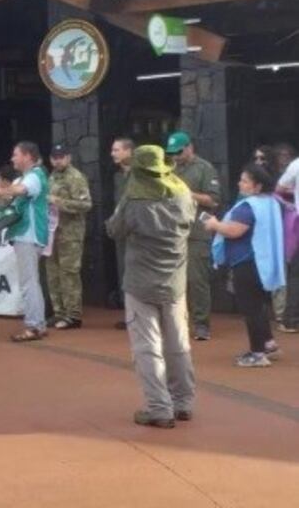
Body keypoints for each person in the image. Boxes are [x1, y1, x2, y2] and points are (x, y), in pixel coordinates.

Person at [106, 145, 196, 429]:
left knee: (148, 346)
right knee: (178, 344)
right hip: (175, 282)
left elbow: (114, 230)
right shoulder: (182, 192)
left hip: (140, 282)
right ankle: (182, 403)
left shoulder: (133, 199)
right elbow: (191, 221)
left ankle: (158, 407)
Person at [206, 164, 286, 367]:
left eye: (245, 180)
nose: (240, 183)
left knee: (251, 308)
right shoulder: (271, 202)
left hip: (247, 262)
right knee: (258, 306)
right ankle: (268, 343)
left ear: (257, 186)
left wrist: (214, 225)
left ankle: (257, 353)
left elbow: (234, 231)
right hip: (262, 262)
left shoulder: (248, 206)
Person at [0, 141, 49, 342]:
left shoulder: (34, 176)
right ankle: (37, 323)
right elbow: (12, 195)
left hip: (29, 235)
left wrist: (3, 190)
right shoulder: (27, 177)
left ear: (27, 156)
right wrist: (2, 192)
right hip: (27, 235)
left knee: (29, 282)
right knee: (31, 282)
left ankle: (34, 326)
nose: (12, 159)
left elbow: (21, 190)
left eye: (16, 155)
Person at [166, 131, 221, 341]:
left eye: (179, 152)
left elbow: (214, 201)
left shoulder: (204, 169)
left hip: (196, 232)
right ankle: (176, 322)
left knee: (197, 280)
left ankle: (201, 324)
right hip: (172, 232)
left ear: (189, 147)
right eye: (172, 153)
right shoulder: (169, 169)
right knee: (172, 281)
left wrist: (186, 193)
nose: (176, 156)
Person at [46, 145, 92, 329]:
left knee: (69, 273)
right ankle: (59, 312)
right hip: (52, 233)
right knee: (53, 273)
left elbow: (86, 205)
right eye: (54, 157)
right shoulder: (51, 177)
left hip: (70, 233)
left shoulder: (76, 177)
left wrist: (59, 202)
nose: (58, 160)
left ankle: (73, 314)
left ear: (69, 158)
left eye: (61, 157)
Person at [274, 145, 299, 334]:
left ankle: (292, 319)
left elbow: (279, 188)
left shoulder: (296, 165)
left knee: (296, 274)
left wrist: (291, 200)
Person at [110, 138, 134, 329]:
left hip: (137, 230)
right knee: (123, 271)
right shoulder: (118, 177)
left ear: (129, 151)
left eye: (117, 150)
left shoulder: (140, 175)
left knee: (136, 272)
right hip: (121, 230)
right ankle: (129, 314)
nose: (113, 153)